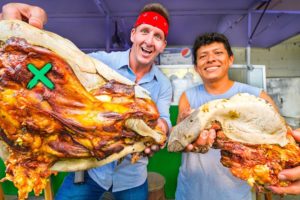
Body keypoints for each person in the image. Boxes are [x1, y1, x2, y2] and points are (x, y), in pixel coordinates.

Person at [1, 2, 172, 200]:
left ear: (163, 46)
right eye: (145, 31)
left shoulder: (163, 84)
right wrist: (17, 31)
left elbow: (165, 120)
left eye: (158, 36)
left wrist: (161, 128)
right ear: (133, 34)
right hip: (89, 175)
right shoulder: (99, 62)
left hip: (132, 178)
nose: (150, 41)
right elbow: (55, 64)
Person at [174, 32, 300, 199]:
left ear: (231, 59)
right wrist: (184, 134)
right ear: (197, 67)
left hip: (235, 194)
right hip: (190, 191)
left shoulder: (257, 97)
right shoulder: (188, 97)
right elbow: (178, 142)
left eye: (218, 53)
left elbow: (282, 141)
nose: (211, 59)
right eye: (203, 56)